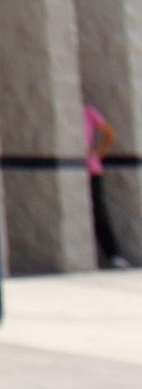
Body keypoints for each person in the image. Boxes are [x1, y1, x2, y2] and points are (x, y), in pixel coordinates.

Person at [88, 103, 132, 270]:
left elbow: (110, 134)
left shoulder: (89, 113)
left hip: (92, 170)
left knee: (99, 212)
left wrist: (99, 152)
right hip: (76, 169)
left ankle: (113, 254)